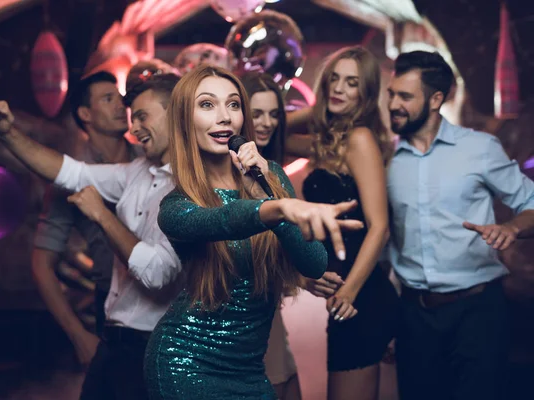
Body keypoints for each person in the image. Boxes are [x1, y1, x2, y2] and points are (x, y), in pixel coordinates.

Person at [143, 64, 364, 400]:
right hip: (186, 364)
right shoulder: (177, 204)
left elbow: (315, 263)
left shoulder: (271, 174)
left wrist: (266, 193)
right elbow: (223, 220)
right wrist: (277, 208)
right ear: (185, 121)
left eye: (233, 105)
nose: (225, 117)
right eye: (207, 105)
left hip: (251, 369)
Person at [0, 73, 182, 400]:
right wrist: (8, 135)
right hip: (116, 333)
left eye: (142, 116)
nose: (133, 126)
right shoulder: (138, 170)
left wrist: (101, 214)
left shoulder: (192, 185)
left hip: (156, 342)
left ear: (176, 114)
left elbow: (156, 273)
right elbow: (72, 173)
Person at [386, 50, 534, 400]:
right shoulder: (385, 158)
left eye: (405, 96)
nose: (393, 103)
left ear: (436, 99)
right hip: (413, 315)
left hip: (478, 313)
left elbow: (531, 202)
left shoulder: (479, 149)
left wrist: (512, 228)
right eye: (391, 94)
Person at [301, 46, 399, 400]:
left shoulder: (359, 139)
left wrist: (349, 292)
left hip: (362, 295)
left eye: (351, 83)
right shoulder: (329, 143)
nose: (338, 89)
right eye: (334, 79)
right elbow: (277, 129)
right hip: (347, 296)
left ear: (366, 94)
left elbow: (379, 227)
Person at [31, 71, 140, 368]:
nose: (121, 105)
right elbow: (42, 264)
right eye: (108, 99)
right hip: (115, 301)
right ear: (85, 114)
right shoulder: (72, 179)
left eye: (120, 98)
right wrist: (78, 334)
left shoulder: (152, 159)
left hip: (170, 294)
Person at [241, 71, 301, 400]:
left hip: (266, 301)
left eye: (274, 114)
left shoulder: (272, 170)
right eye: (257, 113)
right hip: (237, 309)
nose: (266, 123)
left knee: (287, 385)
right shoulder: (225, 171)